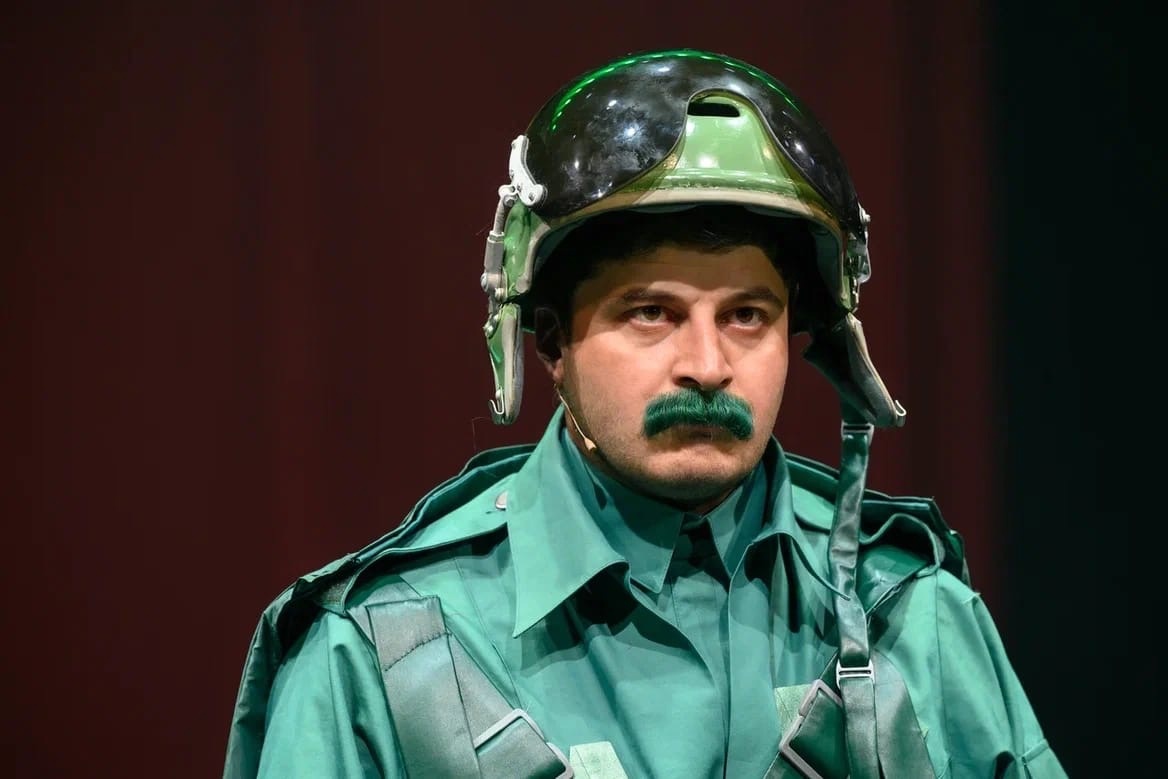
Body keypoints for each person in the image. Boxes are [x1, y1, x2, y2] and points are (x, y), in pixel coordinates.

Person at [223, 48, 1065, 779]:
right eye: (651, 313)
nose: (707, 364)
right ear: (550, 343)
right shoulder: (376, 653)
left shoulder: (914, 613)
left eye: (747, 316)